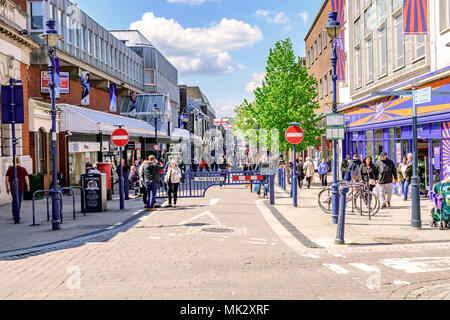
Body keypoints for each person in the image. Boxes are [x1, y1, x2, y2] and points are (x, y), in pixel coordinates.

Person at [5, 157, 29, 224]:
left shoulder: (10, 169)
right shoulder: (23, 169)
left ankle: (14, 213)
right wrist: (28, 186)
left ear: (13, 162)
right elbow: (26, 178)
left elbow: (6, 179)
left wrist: (7, 188)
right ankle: (16, 214)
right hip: (20, 188)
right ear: (19, 161)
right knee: (18, 201)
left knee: (14, 200)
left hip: (13, 188)